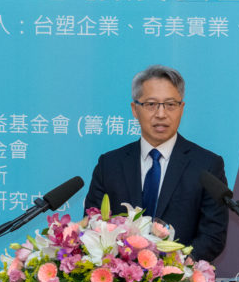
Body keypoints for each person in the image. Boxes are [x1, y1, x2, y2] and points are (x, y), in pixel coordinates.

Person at [84, 65, 229, 262]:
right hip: (120, 277)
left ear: (181, 109)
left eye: (170, 104)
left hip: (180, 275)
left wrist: (178, 265)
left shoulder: (207, 165)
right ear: (135, 109)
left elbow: (213, 234)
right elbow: (94, 225)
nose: (161, 114)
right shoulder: (109, 165)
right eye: (151, 104)